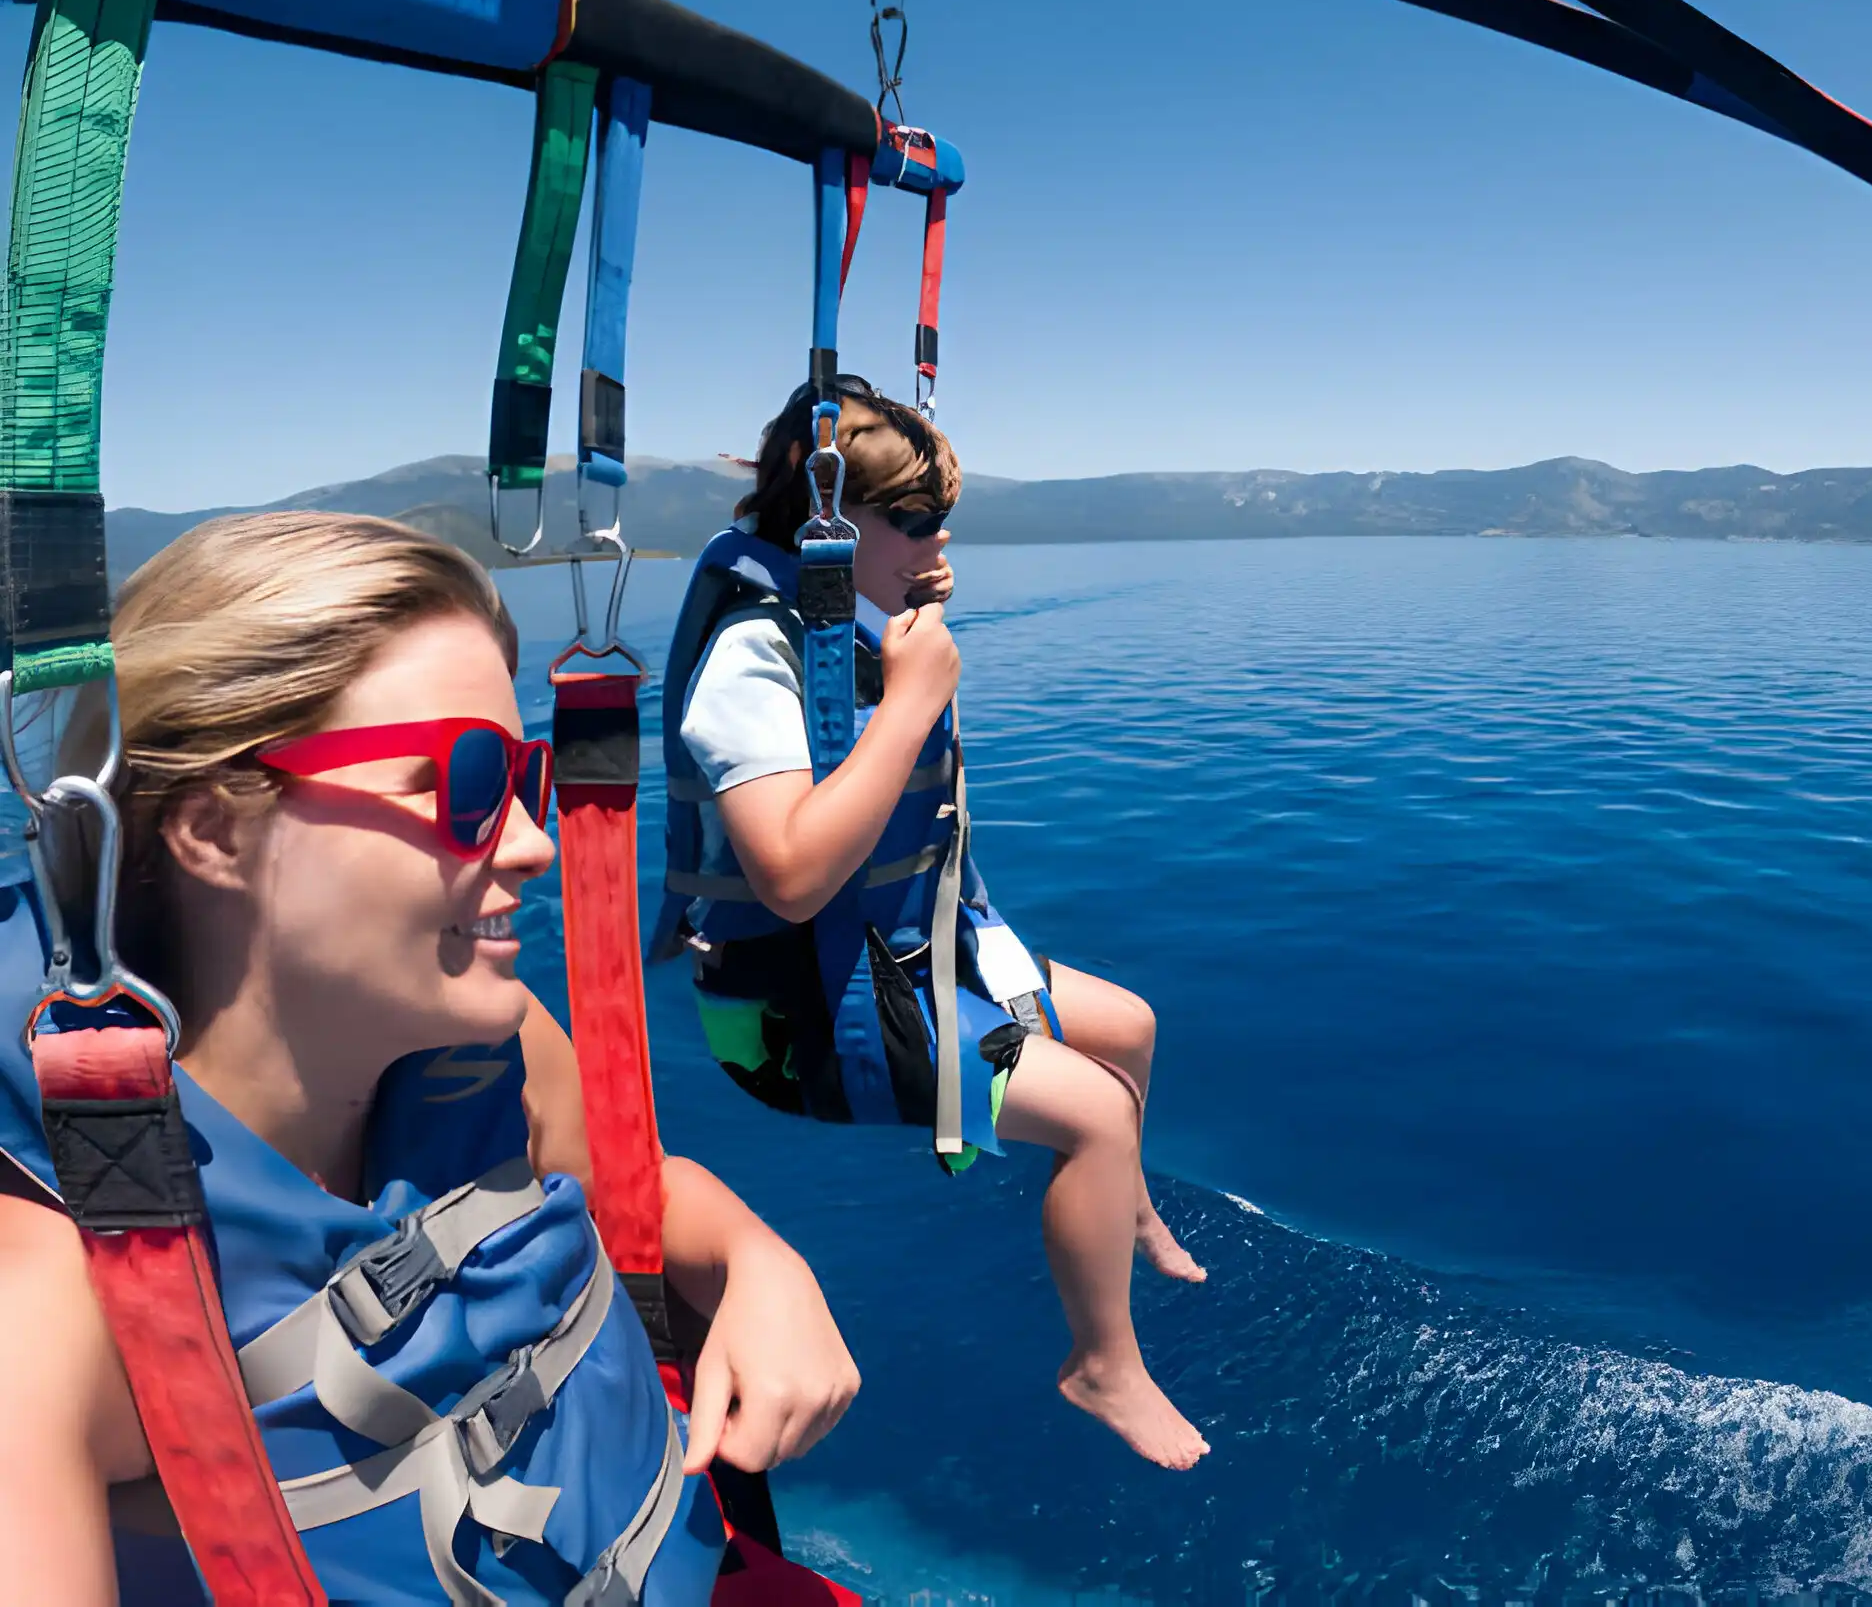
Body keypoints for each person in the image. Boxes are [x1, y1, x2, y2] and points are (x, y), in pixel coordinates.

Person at [0, 512, 860, 1605]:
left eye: (523, 778)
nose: (534, 843)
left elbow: (636, 1199)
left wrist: (757, 1263)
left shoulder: (484, 1049)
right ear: (216, 831)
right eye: (462, 787)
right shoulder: (45, 1316)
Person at [657, 376, 1210, 1470]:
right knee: (1097, 1113)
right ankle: (1102, 1366)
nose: (935, 537)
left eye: (939, 520)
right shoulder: (748, 660)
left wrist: (908, 600)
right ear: (826, 525)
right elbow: (790, 878)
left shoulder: (832, 620)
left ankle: (1124, 1212)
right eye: (909, 521)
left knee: (1131, 1027)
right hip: (805, 1017)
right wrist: (912, 698)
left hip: (898, 959)